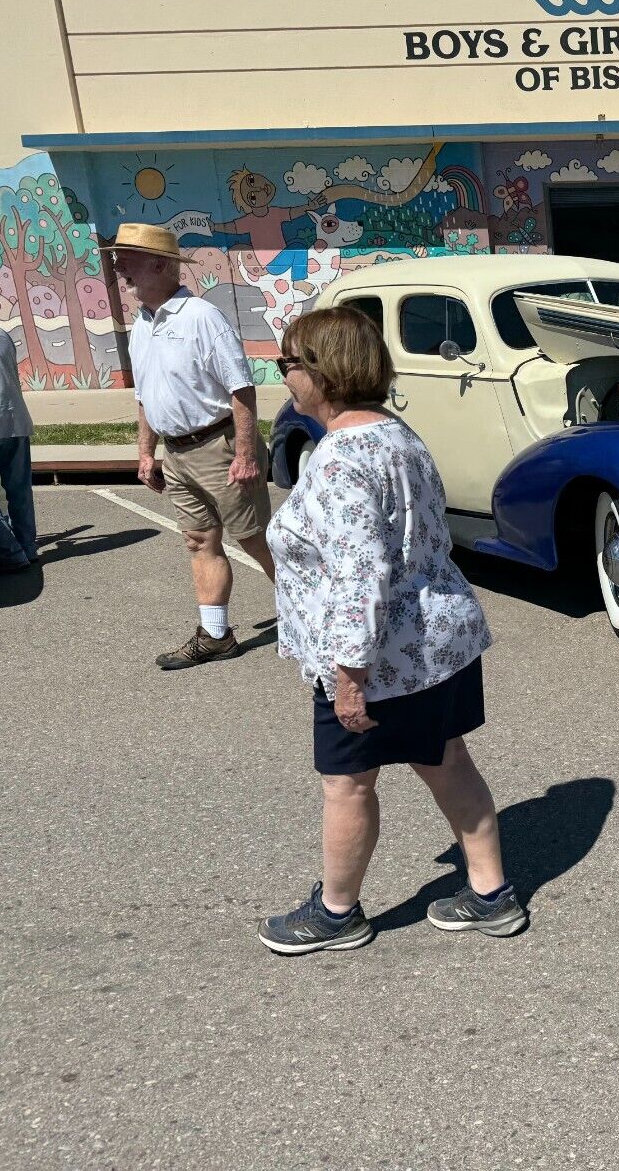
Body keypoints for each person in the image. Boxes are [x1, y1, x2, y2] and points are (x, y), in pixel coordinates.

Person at [258, 306, 525, 955]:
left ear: (322, 373)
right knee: (445, 757)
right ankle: (493, 895)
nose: (284, 378)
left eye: (287, 365)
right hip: (438, 640)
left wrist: (348, 679)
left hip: (381, 658)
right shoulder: (396, 434)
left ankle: (335, 912)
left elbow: (359, 574)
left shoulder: (341, 460)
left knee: (347, 784)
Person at [106, 222, 276, 668]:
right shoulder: (143, 324)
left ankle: (312, 617)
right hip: (176, 454)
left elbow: (241, 389)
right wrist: (146, 452)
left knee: (256, 539)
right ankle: (216, 635)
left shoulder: (201, 317)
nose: (118, 265)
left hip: (219, 448)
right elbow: (145, 396)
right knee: (200, 541)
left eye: (127, 257)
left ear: (160, 264)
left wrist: (244, 454)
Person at [0, 327, 36, 572]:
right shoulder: (3, 336)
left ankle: (11, 551)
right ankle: (27, 546)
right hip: (15, 421)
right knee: (20, 490)